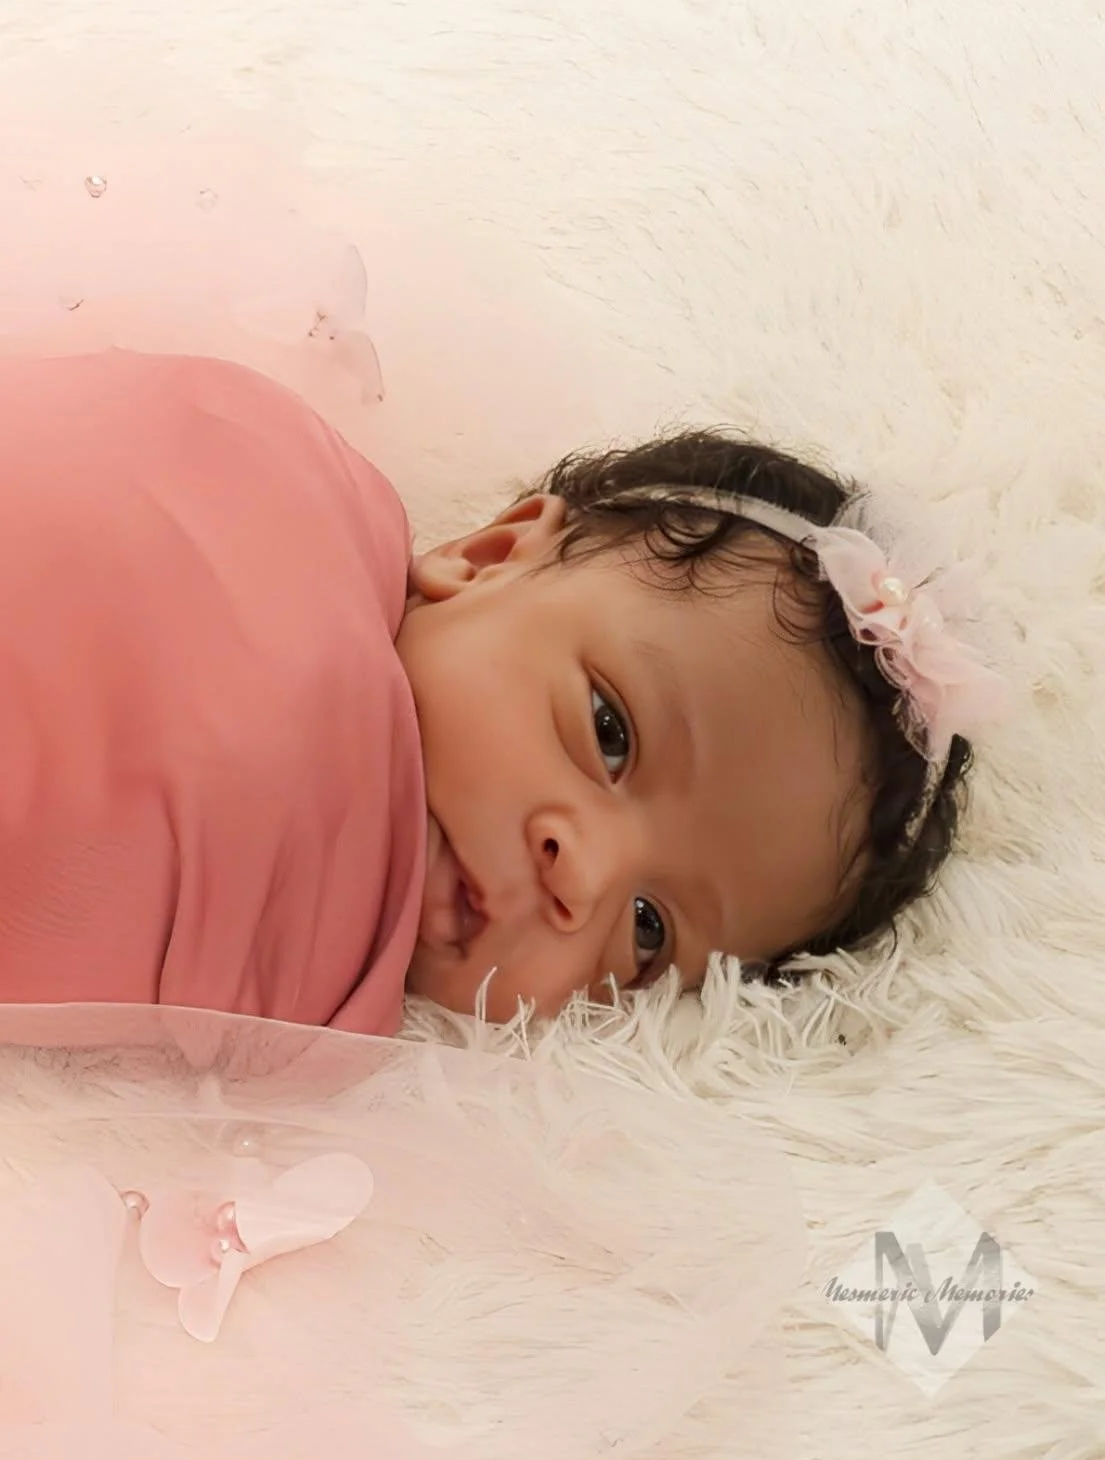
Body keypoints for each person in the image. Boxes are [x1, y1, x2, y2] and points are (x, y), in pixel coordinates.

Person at [0, 345, 1004, 1030]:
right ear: (488, 556)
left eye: (647, 931)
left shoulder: (323, 1023)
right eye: (609, 732)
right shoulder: (280, 481)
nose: (586, 876)